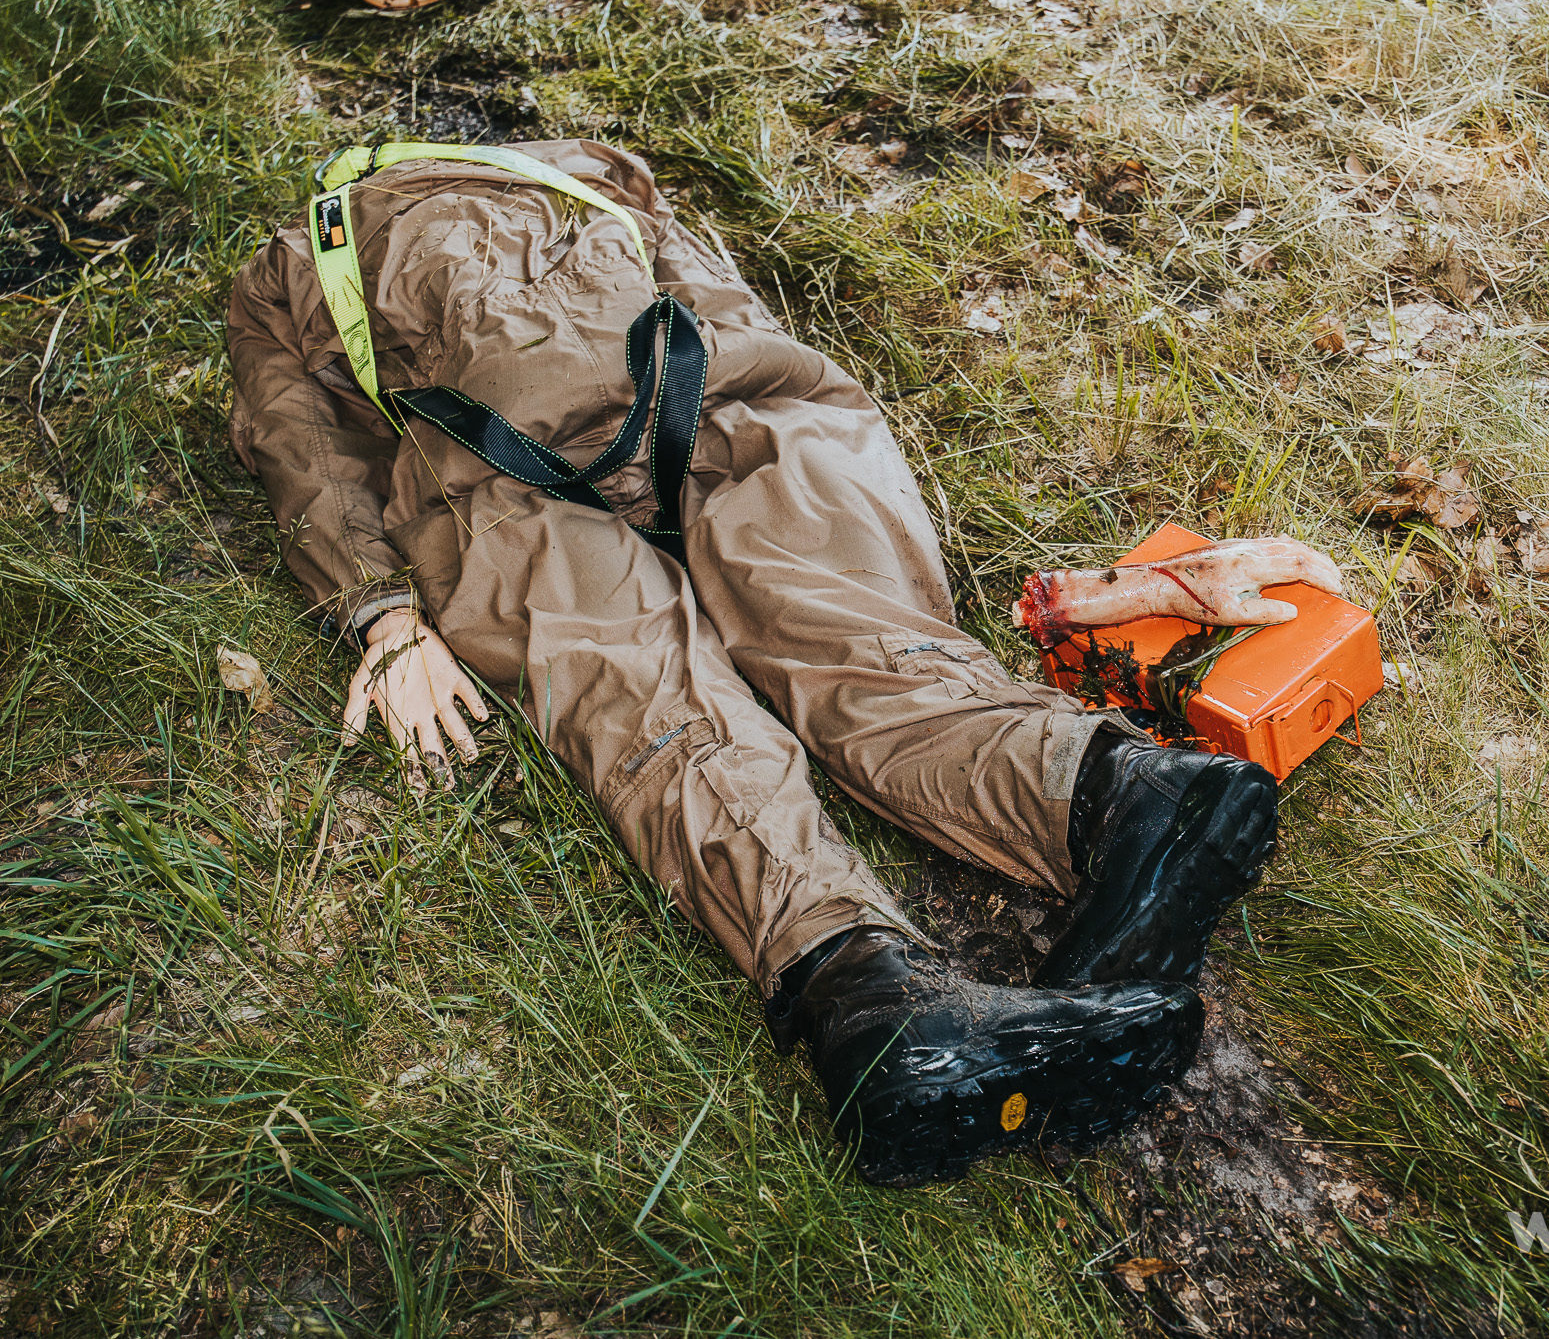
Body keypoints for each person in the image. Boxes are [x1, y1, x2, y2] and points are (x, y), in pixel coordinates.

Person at [226, 138, 1284, 1186]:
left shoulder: (297, 259)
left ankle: (873, 998)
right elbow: (721, 301)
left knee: (655, 713)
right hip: (727, 397)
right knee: (867, 648)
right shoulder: (586, 164)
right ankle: (1124, 794)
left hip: (506, 480)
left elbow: (302, 456)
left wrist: (384, 614)